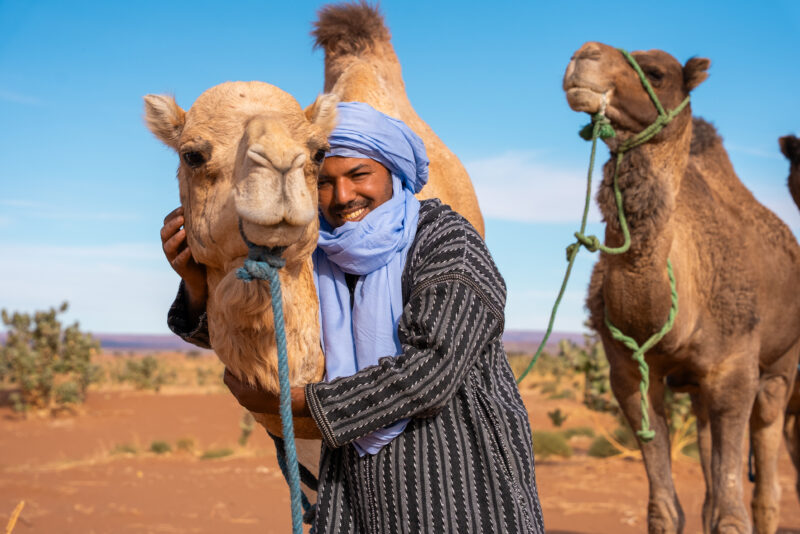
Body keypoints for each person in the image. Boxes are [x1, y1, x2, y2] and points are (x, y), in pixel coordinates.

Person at [161, 102, 545, 533]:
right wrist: (198, 284)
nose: (342, 197)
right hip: (354, 497)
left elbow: (431, 372)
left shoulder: (447, 242)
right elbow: (274, 335)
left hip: (463, 488)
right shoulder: (318, 254)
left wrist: (299, 403)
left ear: (393, 173)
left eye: (359, 176)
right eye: (324, 182)